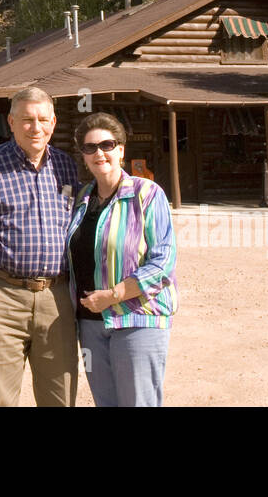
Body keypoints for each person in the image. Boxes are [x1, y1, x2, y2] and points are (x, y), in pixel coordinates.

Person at [0, 86, 82, 406]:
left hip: (57, 297)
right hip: (2, 296)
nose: (36, 127)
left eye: (43, 120)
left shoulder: (66, 167)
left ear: (53, 123)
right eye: (27, 120)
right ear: (11, 122)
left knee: (60, 396)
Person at [66, 112, 177, 406]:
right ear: (83, 156)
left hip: (136, 318)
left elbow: (163, 263)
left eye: (107, 145)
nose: (99, 153)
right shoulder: (81, 200)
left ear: (121, 150)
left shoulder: (147, 194)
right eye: (90, 147)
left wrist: (114, 295)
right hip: (90, 324)